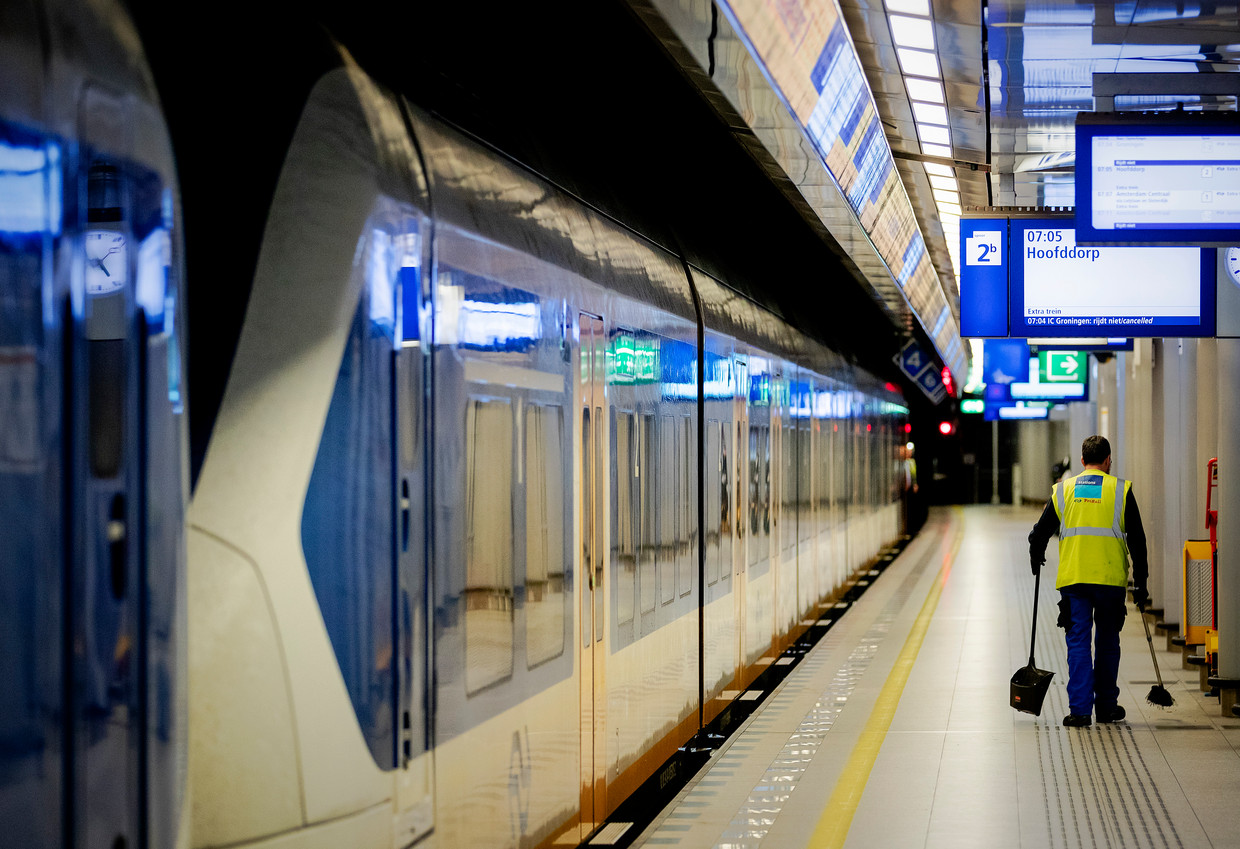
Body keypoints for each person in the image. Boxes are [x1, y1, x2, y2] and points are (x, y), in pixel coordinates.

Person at [1028, 435, 1148, 728]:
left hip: (1075, 579)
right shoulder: (1120, 490)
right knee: (1107, 642)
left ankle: (1080, 711)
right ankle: (1106, 707)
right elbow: (1138, 539)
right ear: (1108, 460)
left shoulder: (1064, 489)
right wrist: (1141, 582)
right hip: (1110, 581)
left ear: (1082, 461)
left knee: (1078, 643)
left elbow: (1039, 532)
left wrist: (1036, 556)